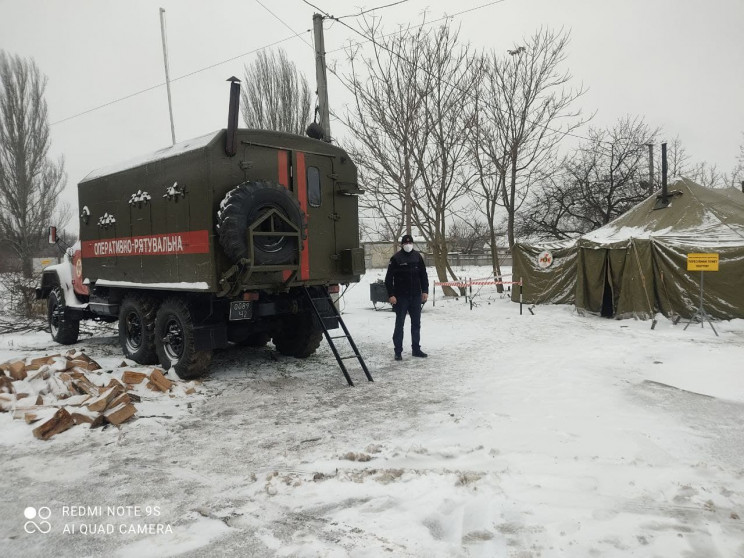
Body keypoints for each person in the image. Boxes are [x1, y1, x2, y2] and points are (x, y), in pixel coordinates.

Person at [384, 234, 429, 361]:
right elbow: (388, 279)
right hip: (401, 297)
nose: (408, 245)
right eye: (405, 243)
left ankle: (416, 349)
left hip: (415, 296)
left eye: (410, 243)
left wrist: (425, 291)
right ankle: (398, 351)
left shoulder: (417, 257)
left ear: (412, 244)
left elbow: (423, 275)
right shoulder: (396, 258)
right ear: (402, 244)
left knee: (416, 324)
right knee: (400, 324)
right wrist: (391, 295)